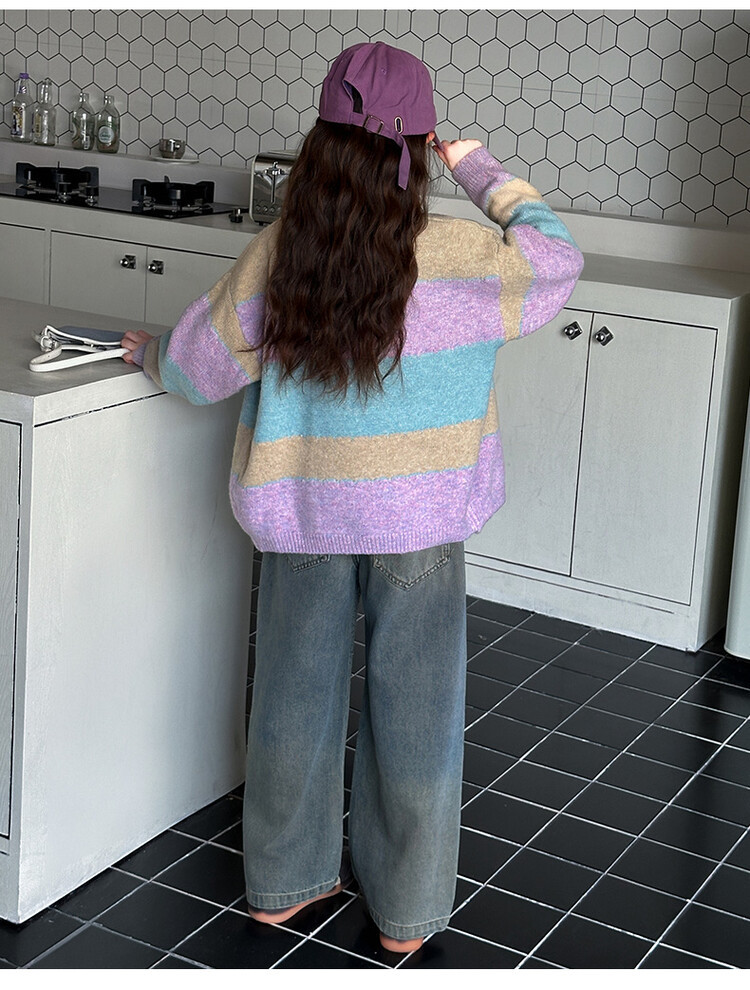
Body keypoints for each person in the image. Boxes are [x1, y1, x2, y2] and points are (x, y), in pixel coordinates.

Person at [120, 41, 583, 955]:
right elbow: (557, 257)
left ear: (322, 142)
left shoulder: (281, 255)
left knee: (291, 700)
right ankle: (406, 912)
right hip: (422, 526)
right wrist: (480, 168)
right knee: (418, 715)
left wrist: (148, 356)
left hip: (306, 521)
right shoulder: (466, 257)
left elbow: (196, 368)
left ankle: (282, 885)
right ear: (419, 148)